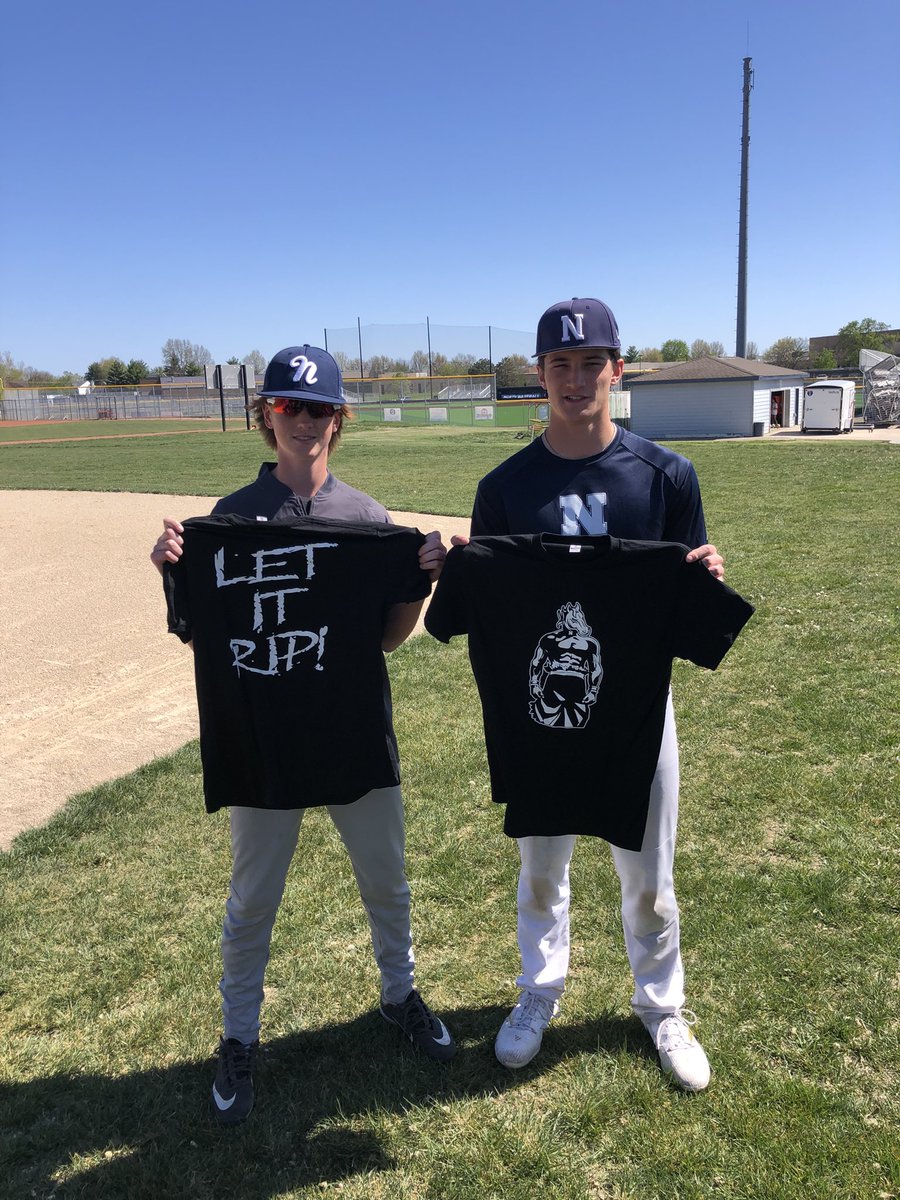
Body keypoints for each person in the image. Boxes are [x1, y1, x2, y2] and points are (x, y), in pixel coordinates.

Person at [151, 345, 456, 1126]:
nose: (305, 422)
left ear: (340, 419)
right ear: (267, 417)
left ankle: (400, 996)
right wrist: (175, 567)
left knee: (387, 881)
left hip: (352, 732)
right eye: (290, 407)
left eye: (320, 409)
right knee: (253, 899)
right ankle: (239, 1037)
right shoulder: (230, 520)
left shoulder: (365, 519)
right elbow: (204, 635)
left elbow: (386, 641)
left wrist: (417, 582)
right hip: (263, 739)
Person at [463, 299, 726, 1092]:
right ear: (538, 376)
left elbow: (683, 609)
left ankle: (661, 1005)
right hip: (543, 712)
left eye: (591, 364)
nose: (575, 380)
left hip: (639, 707)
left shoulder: (666, 475)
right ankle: (538, 992)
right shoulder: (505, 486)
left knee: (649, 872)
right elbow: (487, 607)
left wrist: (706, 582)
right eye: (559, 366)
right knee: (542, 866)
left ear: (617, 369)